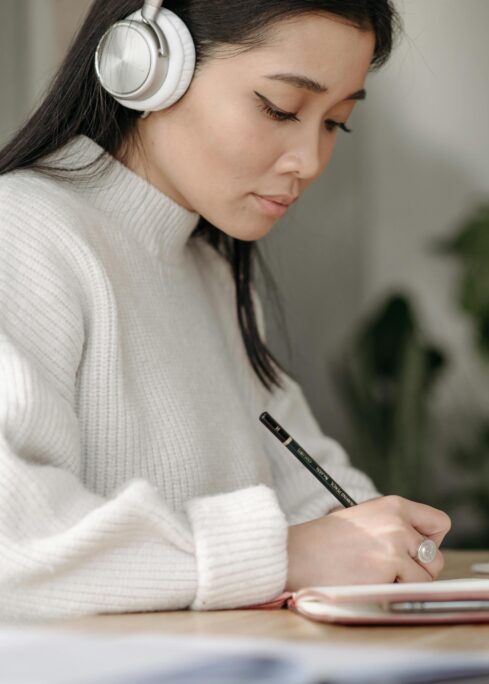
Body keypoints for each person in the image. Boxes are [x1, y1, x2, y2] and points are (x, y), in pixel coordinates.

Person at [0, 0, 450, 620]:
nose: (310, 162)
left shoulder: (210, 275)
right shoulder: (20, 231)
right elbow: (12, 546)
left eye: (335, 123)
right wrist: (284, 555)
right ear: (148, 62)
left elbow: (317, 503)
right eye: (282, 109)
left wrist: (381, 541)